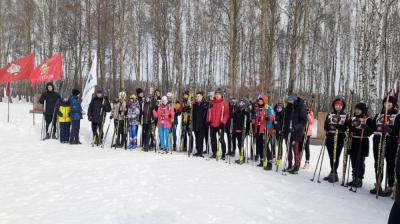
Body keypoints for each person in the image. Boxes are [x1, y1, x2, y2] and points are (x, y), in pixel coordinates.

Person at [370, 95, 400, 196]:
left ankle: (391, 186)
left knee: (390, 163)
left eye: (390, 103)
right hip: (378, 140)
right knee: (378, 163)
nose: (387, 105)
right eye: (385, 103)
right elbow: (372, 126)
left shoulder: (397, 115)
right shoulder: (379, 115)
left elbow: (397, 130)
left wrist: (390, 130)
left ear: (393, 104)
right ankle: (378, 184)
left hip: (390, 141)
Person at [347, 102, 373, 188]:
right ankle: (354, 177)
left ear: (363, 111)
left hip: (362, 141)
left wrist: (362, 130)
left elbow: (371, 130)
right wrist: (350, 127)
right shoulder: (353, 118)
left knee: (360, 160)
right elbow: (350, 128)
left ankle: (359, 178)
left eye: (359, 110)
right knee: (353, 159)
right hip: (353, 140)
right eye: (356, 109)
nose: (357, 111)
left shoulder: (367, 119)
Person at [323, 98, 347, 182]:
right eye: (336, 105)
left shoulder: (345, 115)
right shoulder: (330, 114)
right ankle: (332, 171)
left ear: (342, 106)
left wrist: (337, 126)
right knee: (331, 156)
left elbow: (345, 128)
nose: (338, 107)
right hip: (330, 137)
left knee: (336, 156)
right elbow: (325, 126)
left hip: (339, 138)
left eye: (340, 105)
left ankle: (334, 173)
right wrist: (329, 127)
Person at [283, 95, 307, 174]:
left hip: (296, 133)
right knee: (288, 150)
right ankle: (289, 165)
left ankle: (296, 166)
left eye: (291, 101)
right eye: (288, 101)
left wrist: (295, 127)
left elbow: (303, 121)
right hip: (288, 131)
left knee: (295, 150)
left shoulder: (300, 107)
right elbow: (285, 120)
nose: (289, 103)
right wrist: (284, 130)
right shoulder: (288, 107)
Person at [206, 89, 229, 160]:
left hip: (220, 124)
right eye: (216, 94)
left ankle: (223, 153)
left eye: (218, 94)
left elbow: (226, 114)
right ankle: (214, 152)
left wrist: (223, 122)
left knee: (221, 139)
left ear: (221, 95)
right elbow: (208, 113)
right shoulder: (211, 103)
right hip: (212, 124)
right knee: (213, 139)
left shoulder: (224, 103)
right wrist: (208, 121)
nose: (217, 95)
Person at [233, 99, 251, 164]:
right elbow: (234, 120)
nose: (241, 105)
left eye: (242, 104)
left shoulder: (246, 112)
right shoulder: (236, 111)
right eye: (240, 104)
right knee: (239, 144)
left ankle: (242, 157)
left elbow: (248, 122)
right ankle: (242, 155)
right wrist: (234, 128)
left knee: (241, 144)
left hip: (243, 130)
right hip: (237, 130)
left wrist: (247, 130)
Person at [192, 91, 208, 157]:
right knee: (197, 138)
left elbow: (206, 115)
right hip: (196, 124)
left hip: (202, 125)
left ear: (202, 97)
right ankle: (197, 150)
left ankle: (200, 152)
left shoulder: (205, 105)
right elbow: (193, 115)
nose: (197, 98)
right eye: (197, 96)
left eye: (199, 96)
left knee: (201, 139)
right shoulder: (194, 105)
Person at [301, 102, 314, 169]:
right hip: (301, 132)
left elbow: (311, 121)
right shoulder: (301, 111)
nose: (306, 108)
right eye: (304, 106)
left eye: (306, 106)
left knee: (306, 147)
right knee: (300, 147)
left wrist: (308, 114)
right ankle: (298, 160)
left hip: (307, 133)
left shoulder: (310, 113)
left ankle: (307, 162)